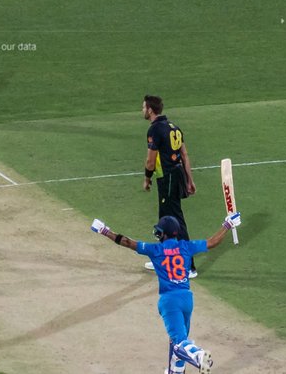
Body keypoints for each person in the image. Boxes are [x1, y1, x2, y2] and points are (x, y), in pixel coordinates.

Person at [90, 212, 241, 374]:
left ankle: (198, 355)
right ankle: (174, 371)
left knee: (179, 343)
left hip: (169, 302)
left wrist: (105, 231)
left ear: (163, 234)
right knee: (176, 339)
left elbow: (127, 242)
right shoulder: (186, 246)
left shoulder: (155, 249)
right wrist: (227, 225)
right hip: (186, 299)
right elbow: (212, 242)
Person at [142, 95, 198, 277]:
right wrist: (189, 179)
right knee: (164, 219)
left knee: (176, 220)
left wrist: (147, 178)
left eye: (143, 107)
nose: (142, 110)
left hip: (168, 178)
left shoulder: (155, 129)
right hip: (176, 175)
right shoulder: (174, 127)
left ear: (150, 110)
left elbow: (150, 161)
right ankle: (162, 258)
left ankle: (189, 266)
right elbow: (185, 155)